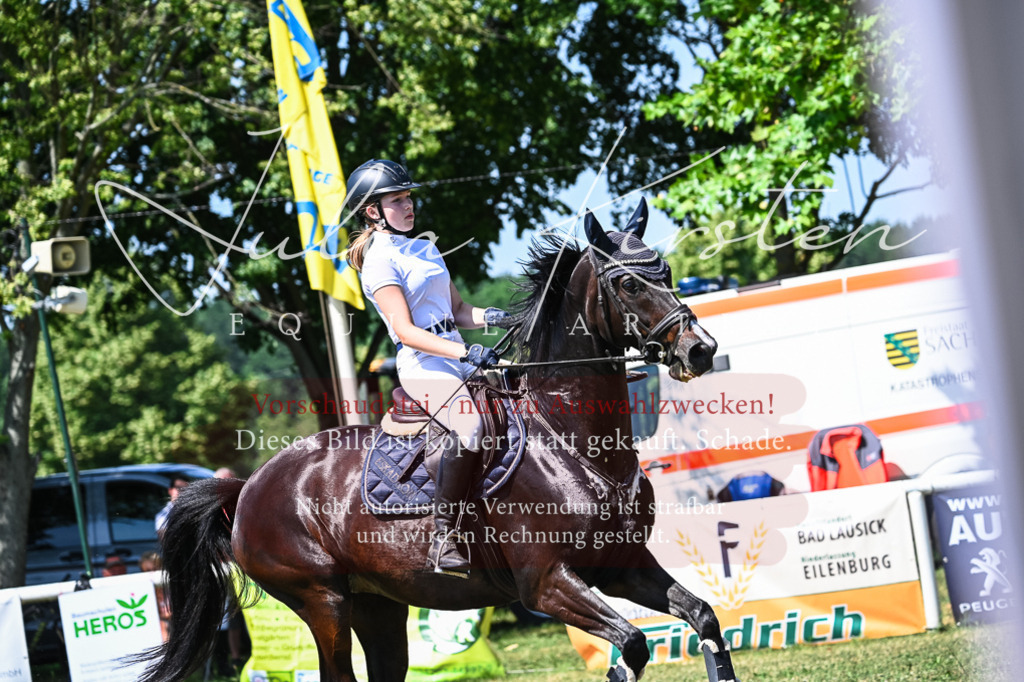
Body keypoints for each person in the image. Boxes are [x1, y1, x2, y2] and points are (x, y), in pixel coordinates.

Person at [346, 159, 512, 578]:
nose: (408, 206)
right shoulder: (379, 260)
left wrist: (499, 317)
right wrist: (466, 354)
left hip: (455, 350)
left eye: (408, 198)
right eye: (398, 200)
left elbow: (459, 310)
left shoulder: (424, 247)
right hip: (422, 363)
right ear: (373, 211)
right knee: (469, 427)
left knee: (524, 388)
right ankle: (445, 536)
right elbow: (405, 330)